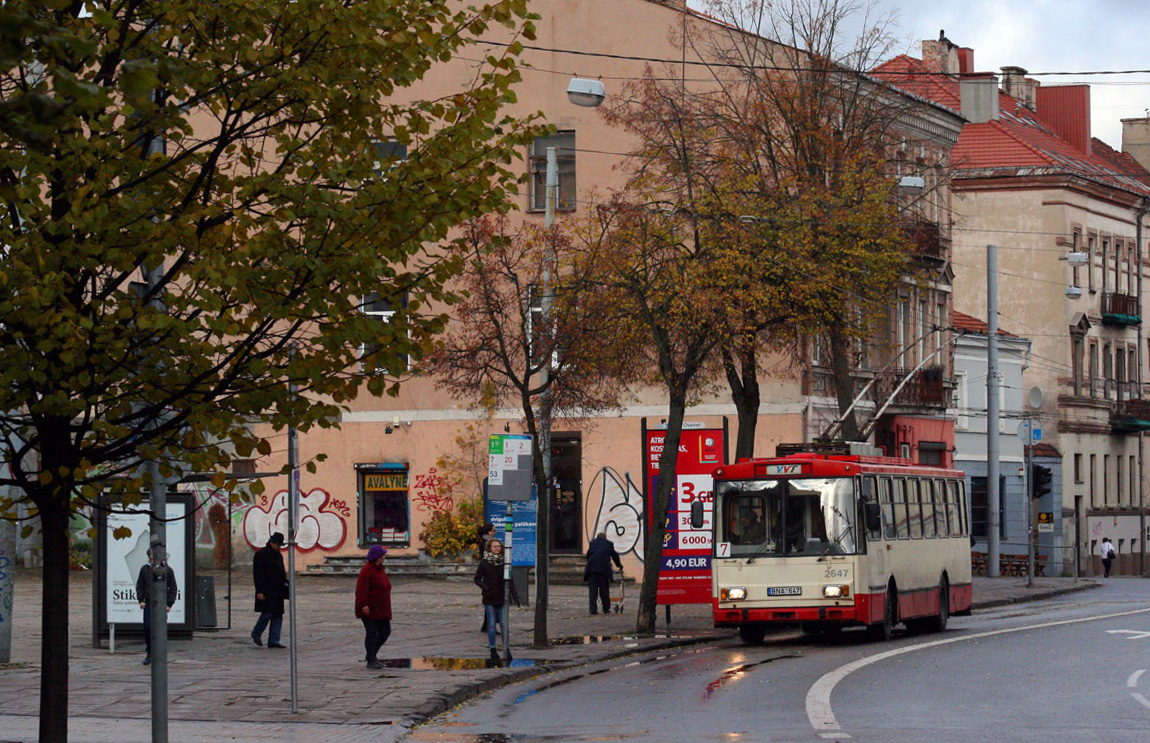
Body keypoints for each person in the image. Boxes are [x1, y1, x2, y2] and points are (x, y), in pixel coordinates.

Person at [474, 539, 518, 664]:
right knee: (492, 625)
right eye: (495, 546)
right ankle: (493, 649)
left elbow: (510, 580)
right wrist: (485, 587)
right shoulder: (484, 562)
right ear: (489, 548)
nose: (497, 548)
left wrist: (515, 596)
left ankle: (506, 648)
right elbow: (477, 579)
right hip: (489, 598)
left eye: (499, 546)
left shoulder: (504, 562)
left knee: (504, 625)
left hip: (502, 597)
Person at [136, 546, 177, 666]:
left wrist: (169, 603)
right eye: (150, 556)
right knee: (148, 628)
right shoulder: (145, 569)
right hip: (149, 602)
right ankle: (149, 652)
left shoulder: (167, 570)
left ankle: (160, 654)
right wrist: (141, 600)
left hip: (161, 603)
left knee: (160, 629)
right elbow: (140, 585)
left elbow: (173, 587)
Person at [356, 545, 393, 669]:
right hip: (369, 609)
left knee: (385, 631)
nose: (384, 557)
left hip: (381, 609)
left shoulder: (380, 569)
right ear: (376, 557)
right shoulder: (367, 570)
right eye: (382, 555)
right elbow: (361, 589)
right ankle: (371, 659)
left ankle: (371, 654)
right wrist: (363, 605)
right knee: (372, 633)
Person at [251, 532, 288, 648]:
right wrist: (259, 591)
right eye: (278, 545)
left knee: (278, 615)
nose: (279, 547)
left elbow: (281, 572)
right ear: (272, 543)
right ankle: (256, 633)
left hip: (278, 590)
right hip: (267, 589)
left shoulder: (278, 555)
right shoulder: (261, 555)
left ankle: (274, 640)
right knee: (267, 613)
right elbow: (258, 575)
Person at [583, 531, 623, 616]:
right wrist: (619, 565)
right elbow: (615, 555)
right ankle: (606, 609)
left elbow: (589, 555)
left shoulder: (592, 543)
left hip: (592, 569)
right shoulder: (608, 544)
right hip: (603, 570)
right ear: (605, 538)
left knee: (592, 591)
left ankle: (592, 609)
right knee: (604, 590)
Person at [477, 522, 495, 633]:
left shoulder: (488, 542)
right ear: (489, 532)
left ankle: (487, 624)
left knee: (491, 601)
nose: (495, 532)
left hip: (488, 574)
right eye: (493, 530)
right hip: (488, 574)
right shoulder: (486, 543)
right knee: (490, 600)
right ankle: (488, 624)